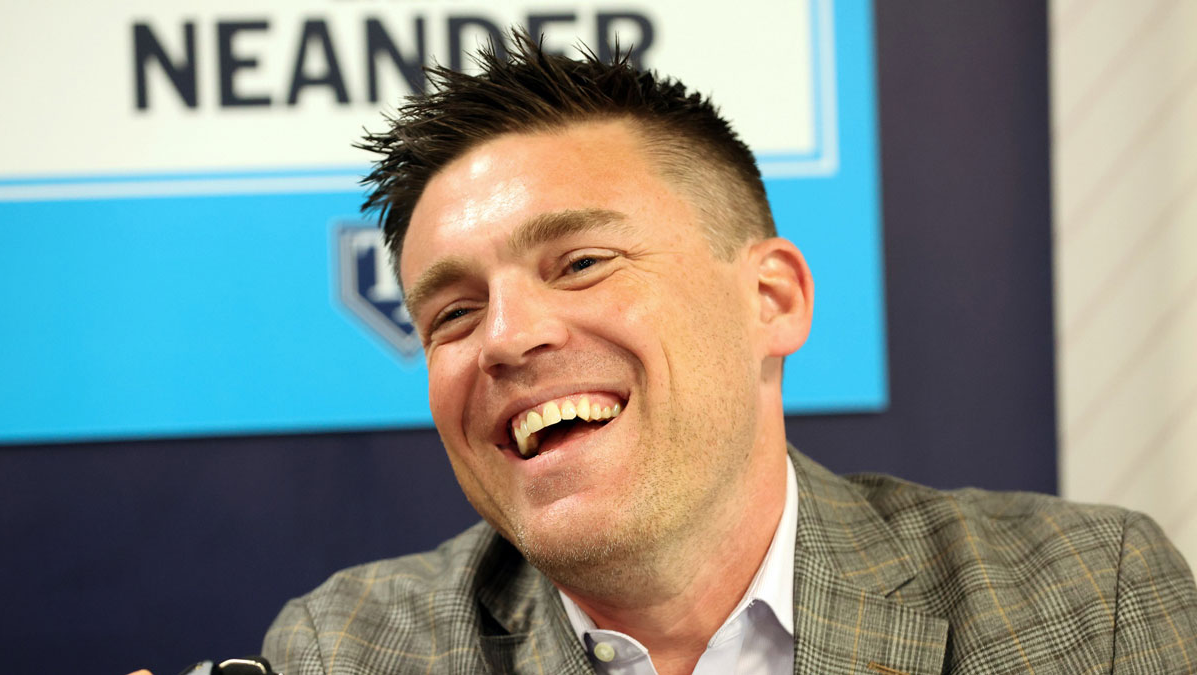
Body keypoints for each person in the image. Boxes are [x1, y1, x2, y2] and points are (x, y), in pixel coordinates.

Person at [258, 33, 1197, 675]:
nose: (505, 336)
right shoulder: (348, 647)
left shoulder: (1086, 598)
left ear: (771, 299)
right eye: (453, 314)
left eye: (581, 261)